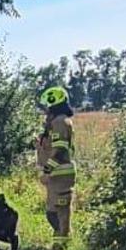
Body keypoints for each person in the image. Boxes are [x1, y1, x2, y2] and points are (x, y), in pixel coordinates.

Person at [35, 86, 76, 240]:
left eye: (47, 107)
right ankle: (60, 241)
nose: (45, 111)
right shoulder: (56, 122)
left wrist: (47, 170)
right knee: (52, 213)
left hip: (60, 173)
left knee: (59, 212)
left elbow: (60, 149)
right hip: (55, 175)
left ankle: (61, 244)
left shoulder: (60, 122)